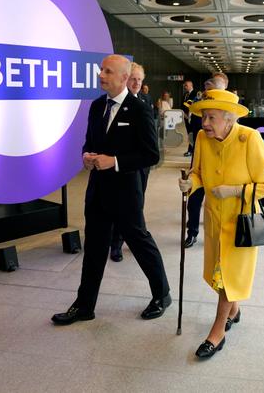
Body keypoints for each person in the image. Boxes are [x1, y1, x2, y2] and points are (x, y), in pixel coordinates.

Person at [51, 55, 171, 325]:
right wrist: (86, 156)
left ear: (123, 78)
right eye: (101, 70)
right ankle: (84, 306)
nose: (101, 75)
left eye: (107, 71)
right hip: (98, 192)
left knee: (140, 243)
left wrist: (114, 161)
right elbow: (88, 142)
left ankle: (162, 295)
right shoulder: (96, 107)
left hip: (126, 193)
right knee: (93, 248)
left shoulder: (139, 109)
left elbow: (151, 155)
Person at [178, 89, 264, 359]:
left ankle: (217, 332)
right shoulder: (201, 137)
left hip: (241, 223)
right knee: (219, 274)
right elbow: (197, 172)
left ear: (229, 119)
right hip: (213, 218)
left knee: (227, 277)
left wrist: (234, 190)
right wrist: (190, 184)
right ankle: (234, 310)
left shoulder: (249, 139)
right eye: (203, 117)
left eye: (210, 117)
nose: (204, 123)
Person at [109, 62, 155, 262]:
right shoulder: (116, 104)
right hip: (121, 166)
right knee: (120, 205)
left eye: (139, 80)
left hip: (142, 166)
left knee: (137, 204)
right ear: (125, 79)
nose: (136, 83)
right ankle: (116, 243)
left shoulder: (145, 100)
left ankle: (133, 236)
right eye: (133, 79)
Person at [184, 73, 228, 249]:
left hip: (224, 166)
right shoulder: (200, 107)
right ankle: (192, 232)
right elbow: (196, 127)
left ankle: (221, 235)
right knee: (194, 200)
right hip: (201, 161)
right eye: (208, 92)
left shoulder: (231, 110)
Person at [182, 80, 199, 157]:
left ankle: (191, 150)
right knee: (189, 134)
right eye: (185, 85)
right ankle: (191, 150)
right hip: (186, 117)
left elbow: (195, 105)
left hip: (193, 118)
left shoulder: (196, 93)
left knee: (192, 134)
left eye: (186, 85)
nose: (185, 87)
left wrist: (190, 115)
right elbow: (183, 105)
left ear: (191, 86)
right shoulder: (185, 94)